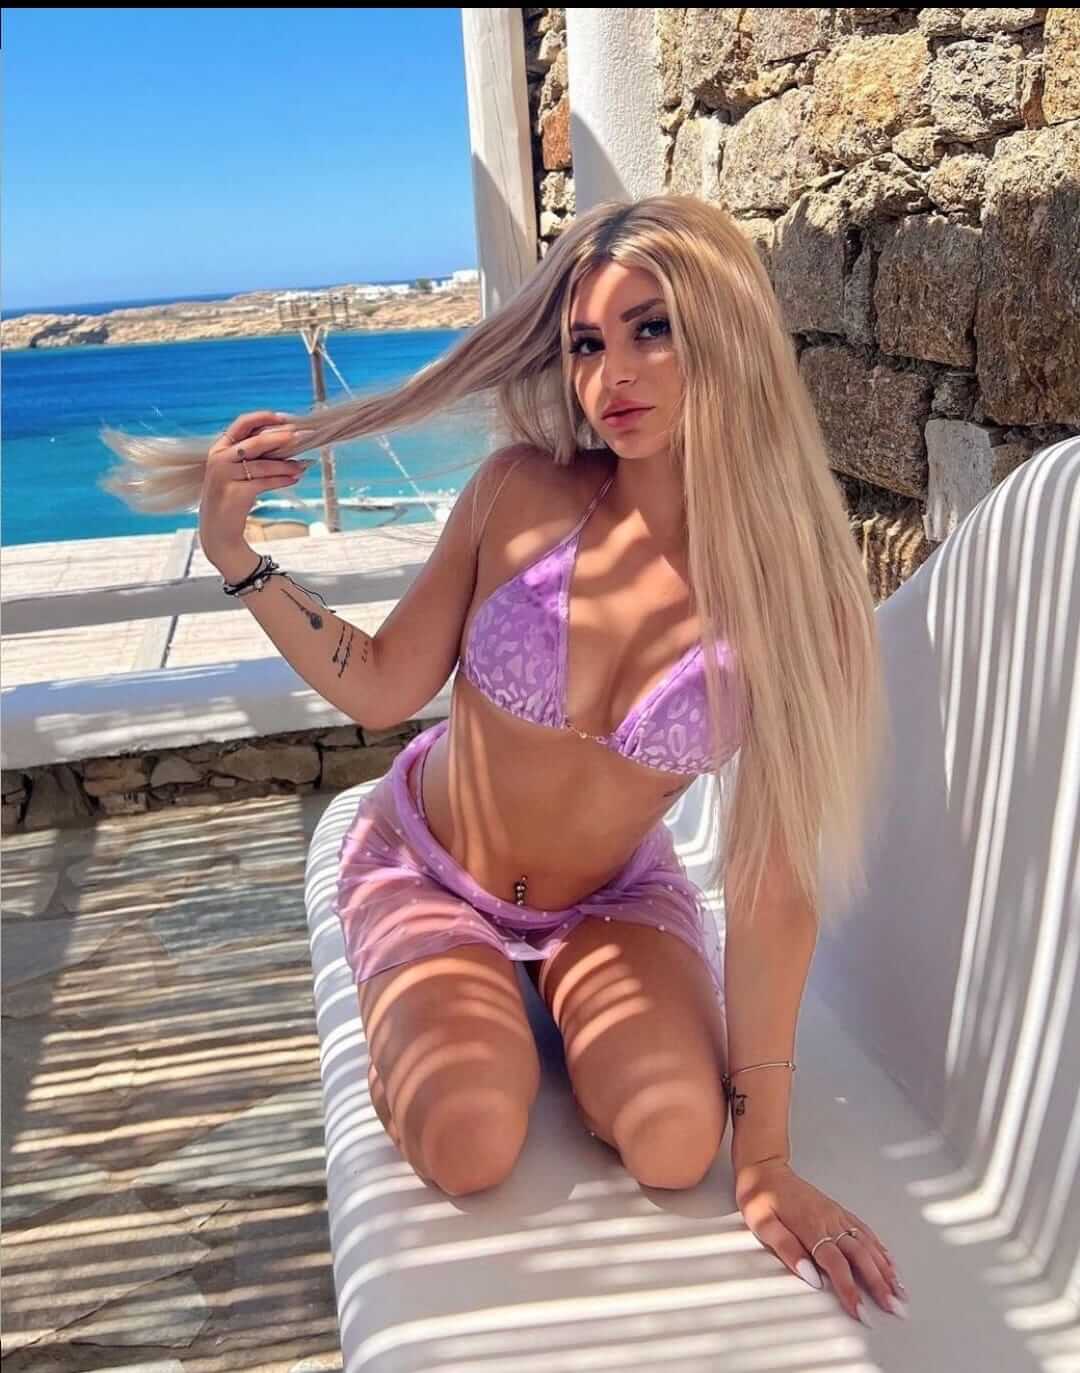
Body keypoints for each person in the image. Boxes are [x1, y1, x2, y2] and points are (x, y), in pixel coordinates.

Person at [99, 194, 906, 1327]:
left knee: (681, 1141)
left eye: (652, 328)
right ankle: (465, 999)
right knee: (469, 1136)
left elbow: (773, 880)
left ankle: (555, 999)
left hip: (610, 902)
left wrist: (765, 1155)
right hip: (431, 870)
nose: (611, 374)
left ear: (727, 330)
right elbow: (384, 684)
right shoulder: (521, 493)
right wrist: (236, 554)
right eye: (586, 343)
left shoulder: (796, 604)